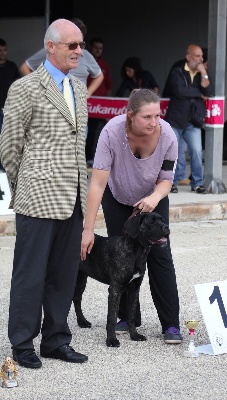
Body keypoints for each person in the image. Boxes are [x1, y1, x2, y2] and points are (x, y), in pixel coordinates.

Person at [0, 18, 89, 369]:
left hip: (73, 198)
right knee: (30, 274)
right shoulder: (25, 88)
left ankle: (55, 339)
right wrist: (28, 183)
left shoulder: (79, 88)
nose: (79, 51)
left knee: (63, 274)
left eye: (80, 45)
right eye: (73, 45)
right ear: (50, 46)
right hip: (37, 197)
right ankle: (22, 342)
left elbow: (78, 145)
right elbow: (10, 146)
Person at [80, 88, 182, 345]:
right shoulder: (111, 133)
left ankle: (170, 324)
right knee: (121, 258)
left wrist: (153, 199)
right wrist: (88, 229)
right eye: (147, 117)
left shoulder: (168, 135)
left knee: (160, 256)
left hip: (153, 197)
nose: (154, 122)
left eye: (157, 116)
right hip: (117, 197)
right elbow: (97, 184)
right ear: (130, 116)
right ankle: (126, 318)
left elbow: (166, 181)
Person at [163, 44, 213, 194]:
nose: (201, 59)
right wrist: (198, 93)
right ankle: (171, 182)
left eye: (201, 57)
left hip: (193, 120)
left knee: (197, 151)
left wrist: (204, 74)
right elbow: (179, 91)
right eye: (198, 56)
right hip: (176, 119)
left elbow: (208, 92)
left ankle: (197, 183)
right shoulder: (177, 71)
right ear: (189, 57)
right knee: (173, 152)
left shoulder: (200, 74)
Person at [19, 18, 104, 96]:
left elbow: (99, 76)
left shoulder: (86, 55)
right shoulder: (52, 50)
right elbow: (24, 68)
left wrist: (87, 94)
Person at [86, 36, 112, 166]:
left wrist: (108, 105)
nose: (98, 50)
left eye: (100, 48)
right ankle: (88, 157)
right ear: (90, 47)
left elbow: (108, 86)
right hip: (86, 103)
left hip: (100, 106)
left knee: (103, 131)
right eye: (95, 48)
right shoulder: (82, 61)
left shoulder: (104, 65)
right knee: (88, 131)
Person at [0, 38, 20, 171]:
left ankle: (4, 167)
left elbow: (18, 86)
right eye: (0, 51)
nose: (2, 53)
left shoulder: (12, 66)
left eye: (4, 50)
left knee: (6, 140)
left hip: (7, 108)